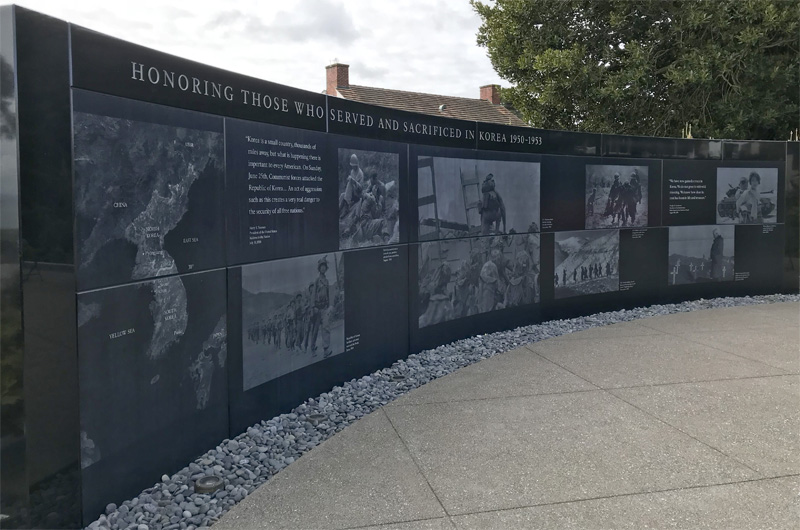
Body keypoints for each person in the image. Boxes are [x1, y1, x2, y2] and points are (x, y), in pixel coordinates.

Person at [308, 256, 332, 357]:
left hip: (324, 308)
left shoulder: (326, 281)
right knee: (315, 330)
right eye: (321, 266)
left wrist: (330, 305)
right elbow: (313, 294)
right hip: (317, 309)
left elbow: (328, 294)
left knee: (326, 327)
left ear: (326, 269)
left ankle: (326, 349)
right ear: (319, 268)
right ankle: (312, 348)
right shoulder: (317, 281)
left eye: (324, 266)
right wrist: (313, 307)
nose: (323, 268)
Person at [339, 153, 364, 219]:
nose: (353, 167)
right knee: (342, 195)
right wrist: (350, 180)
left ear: (357, 165)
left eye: (354, 166)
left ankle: (347, 207)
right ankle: (339, 210)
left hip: (357, 194)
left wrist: (354, 181)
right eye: (352, 166)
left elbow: (361, 188)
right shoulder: (352, 171)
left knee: (350, 183)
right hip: (352, 194)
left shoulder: (360, 173)